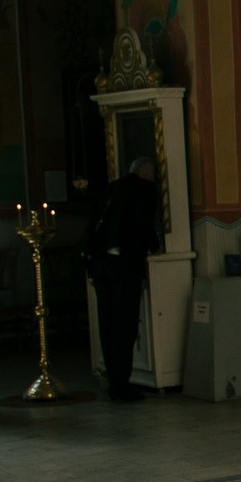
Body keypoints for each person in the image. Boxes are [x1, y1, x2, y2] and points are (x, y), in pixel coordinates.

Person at [88, 157, 162, 401]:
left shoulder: (112, 187)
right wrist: (154, 245)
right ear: (146, 174)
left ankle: (113, 380)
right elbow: (143, 222)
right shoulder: (143, 188)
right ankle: (121, 384)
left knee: (107, 322)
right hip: (123, 264)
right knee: (125, 324)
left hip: (99, 262)